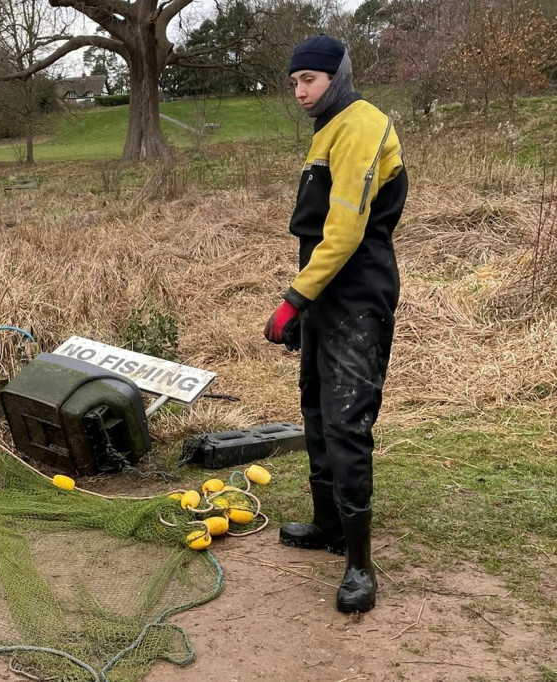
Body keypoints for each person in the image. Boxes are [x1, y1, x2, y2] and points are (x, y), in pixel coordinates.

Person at [262, 35, 408, 614]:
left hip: (359, 294)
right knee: (316, 407)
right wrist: (307, 304)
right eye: (294, 82)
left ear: (338, 77)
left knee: (347, 422)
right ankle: (326, 527)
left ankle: (359, 566)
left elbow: (346, 232)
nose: (300, 92)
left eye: (310, 81)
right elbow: (316, 233)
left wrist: (293, 300)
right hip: (325, 295)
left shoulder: (362, 123)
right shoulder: (327, 129)